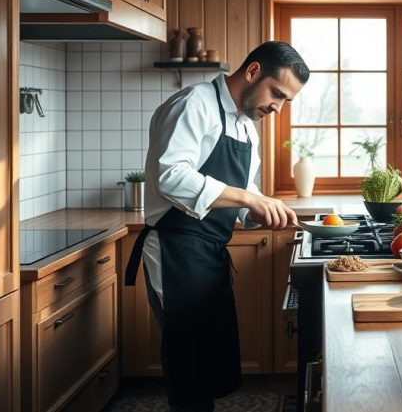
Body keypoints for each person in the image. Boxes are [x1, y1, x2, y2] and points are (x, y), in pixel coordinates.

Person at [124, 41, 309, 411]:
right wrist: (247, 199)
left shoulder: (247, 128)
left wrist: (255, 210)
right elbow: (170, 176)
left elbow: (245, 192)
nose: (277, 107)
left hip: (209, 252)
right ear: (252, 71)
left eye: (286, 100)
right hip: (177, 249)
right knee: (187, 361)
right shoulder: (193, 105)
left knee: (207, 360)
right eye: (277, 94)